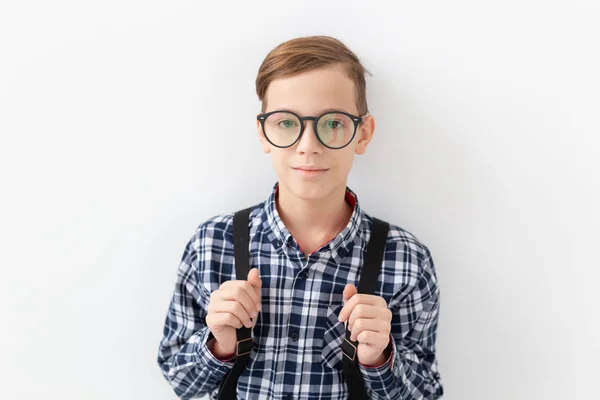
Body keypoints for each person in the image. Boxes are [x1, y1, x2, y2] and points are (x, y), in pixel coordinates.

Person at [157, 35, 444, 399]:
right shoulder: (212, 243)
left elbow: (426, 393)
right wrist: (219, 345)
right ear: (263, 132)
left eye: (333, 123)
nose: (308, 145)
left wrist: (379, 358)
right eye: (287, 123)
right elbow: (179, 379)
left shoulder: (406, 260)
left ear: (363, 133)